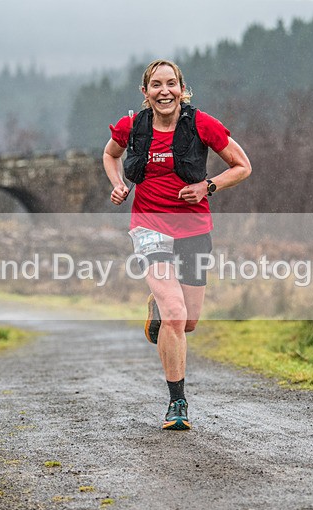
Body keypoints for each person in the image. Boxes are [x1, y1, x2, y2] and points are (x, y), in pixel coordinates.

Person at [103, 59, 251, 430]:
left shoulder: (201, 124)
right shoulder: (132, 126)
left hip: (194, 230)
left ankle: (158, 307)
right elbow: (110, 154)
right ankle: (177, 402)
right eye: (156, 85)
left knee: (189, 322)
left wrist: (208, 186)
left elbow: (242, 165)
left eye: (171, 84)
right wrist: (118, 183)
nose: (164, 91)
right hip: (149, 228)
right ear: (145, 92)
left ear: (183, 89)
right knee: (175, 312)